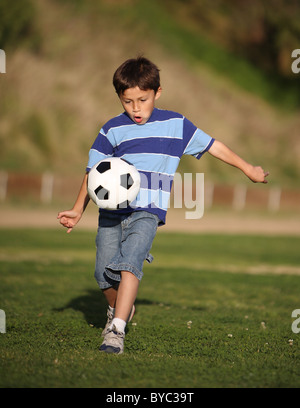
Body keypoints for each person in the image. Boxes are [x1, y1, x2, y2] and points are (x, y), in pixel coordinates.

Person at [57, 56, 269, 354]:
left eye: (142, 100)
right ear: (119, 97)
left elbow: (213, 146)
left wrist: (248, 168)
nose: (135, 108)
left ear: (157, 92)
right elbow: (94, 171)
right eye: (127, 101)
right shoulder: (112, 129)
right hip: (110, 213)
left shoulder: (175, 124)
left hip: (148, 210)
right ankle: (120, 309)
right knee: (103, 274)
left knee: (130, 263)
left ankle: (116, 330)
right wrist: (78, 209)